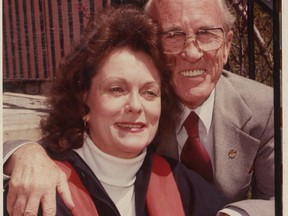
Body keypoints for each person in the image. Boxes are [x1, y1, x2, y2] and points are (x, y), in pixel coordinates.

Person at [3, 0, 274, 215]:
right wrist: (21, 152)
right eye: (116, 89)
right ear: (84, 98)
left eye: (149, 92)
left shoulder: (180, 183)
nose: (135, 105)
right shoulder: (45, 192)